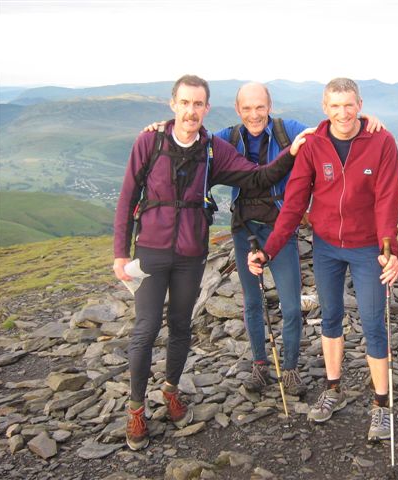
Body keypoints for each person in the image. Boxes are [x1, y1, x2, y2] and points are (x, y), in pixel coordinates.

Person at [113, 74, 310, 451]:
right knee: (146, 328)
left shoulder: (211, 148)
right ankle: (136, 408)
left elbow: (258, 177)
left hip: (191, 252)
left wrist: (293, 150)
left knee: (181, 327)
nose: (191, 111)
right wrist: (121, 252)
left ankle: (171, 392)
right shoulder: (150, 140)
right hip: (152, 251)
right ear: (173, 104)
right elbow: (127, 196)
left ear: (206, 107)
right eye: (184, 103)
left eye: (198, 104)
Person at [248, 78, 398, 442]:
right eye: (335, 106)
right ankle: (333, 389)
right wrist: (269, 249)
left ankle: (382, 406)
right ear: (324, 107)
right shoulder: (314, 145)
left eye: (349, 105)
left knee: (373, 323)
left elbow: (387, 200)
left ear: (360, 104)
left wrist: (388, 250)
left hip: (367, 249)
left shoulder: (381, 142)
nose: (343, 113)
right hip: (327, 246)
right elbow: (295, 202)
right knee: (330, 317)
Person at [214, 82, 385, 397]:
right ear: (237, 110)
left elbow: (327, 130)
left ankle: (290, 369)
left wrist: (363, 121)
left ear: (270, 106)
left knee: (291, 306)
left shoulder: (286, 130)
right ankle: (261, 365)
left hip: (281, 227)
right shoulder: (228, 138)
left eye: (260, 107)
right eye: (247, 108)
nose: (254, 114)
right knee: (253, 302)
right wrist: (162, 128)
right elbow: (197, 143)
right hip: (245, 229)